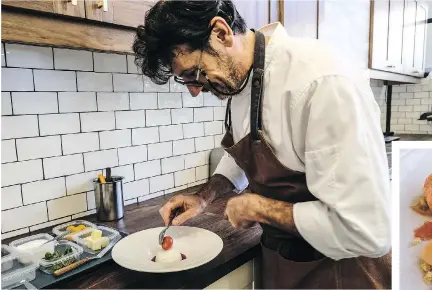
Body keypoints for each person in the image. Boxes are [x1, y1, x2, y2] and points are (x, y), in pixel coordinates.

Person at [133, 0, 392, 288]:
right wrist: (204, 197)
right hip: (283, 264)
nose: (195, 91)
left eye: (193, 73)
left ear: (221, 33)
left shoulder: (320, 81)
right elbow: (248, 152)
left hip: (344, 272)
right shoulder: (241, 80)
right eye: (185, 81)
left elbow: (367, 231)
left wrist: (260, 208)